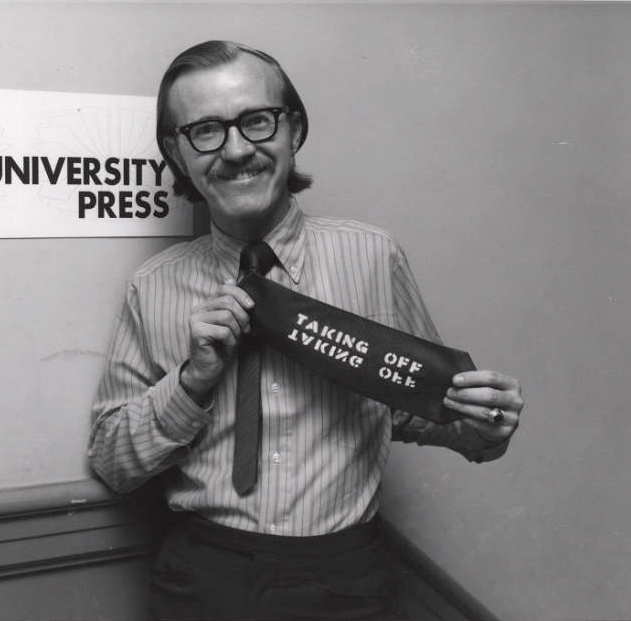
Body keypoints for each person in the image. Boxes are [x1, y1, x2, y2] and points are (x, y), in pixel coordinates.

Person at [88, 40, 524, 620]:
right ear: (177, 152)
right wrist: (192, 381)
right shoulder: (154, 285)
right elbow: (114, 463)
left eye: (257, 121)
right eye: (206, 131)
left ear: (294, 129)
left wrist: (485, 426)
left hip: (345, 578)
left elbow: (419, 408)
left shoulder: (372, 256)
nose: (237, 150)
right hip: (202, 577)